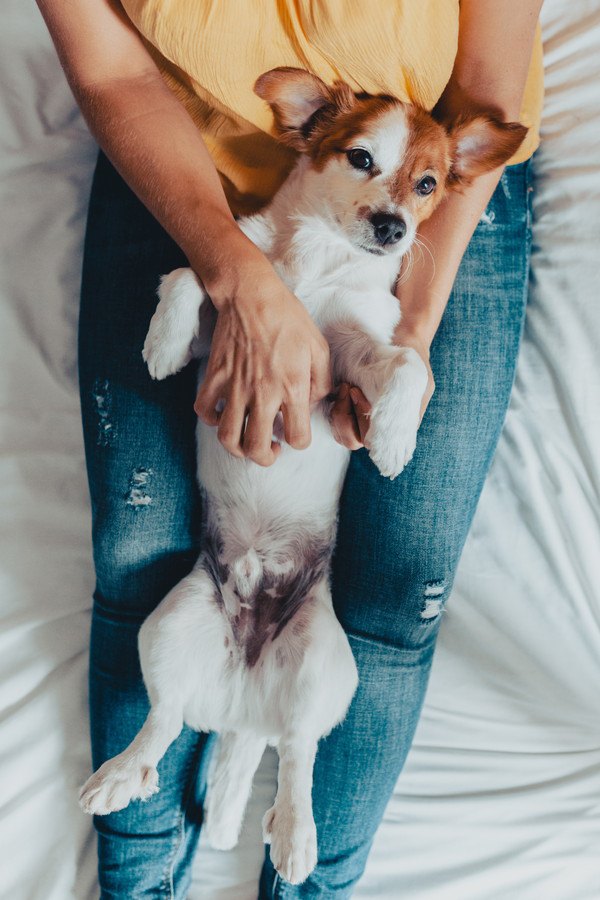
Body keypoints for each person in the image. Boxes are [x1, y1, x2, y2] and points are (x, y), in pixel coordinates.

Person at [37, 1, 544, 897]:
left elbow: (488, 88)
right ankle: (135, 878)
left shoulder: (421, 191)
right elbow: (112, 69)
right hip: (179, 157)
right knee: (135, 554)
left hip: (436, 205)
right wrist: (236, 279)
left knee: (400, 593)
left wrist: (407, 338)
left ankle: (310, 881)